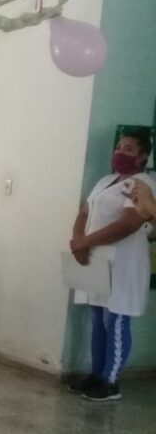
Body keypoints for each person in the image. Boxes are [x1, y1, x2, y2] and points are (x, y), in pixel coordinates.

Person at [68, 132, 155, 402]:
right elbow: (84, 212)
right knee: (97, 319)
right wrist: (78, 241)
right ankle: (96, 374)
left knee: (115, 320)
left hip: (123, 261)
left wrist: (84, 242)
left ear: (142, 157)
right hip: (96, 258)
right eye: (118, 147)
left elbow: (128, 224)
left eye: (128, 149)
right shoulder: (106, 181)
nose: (120, 152)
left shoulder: (142, 183)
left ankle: (110, 380)